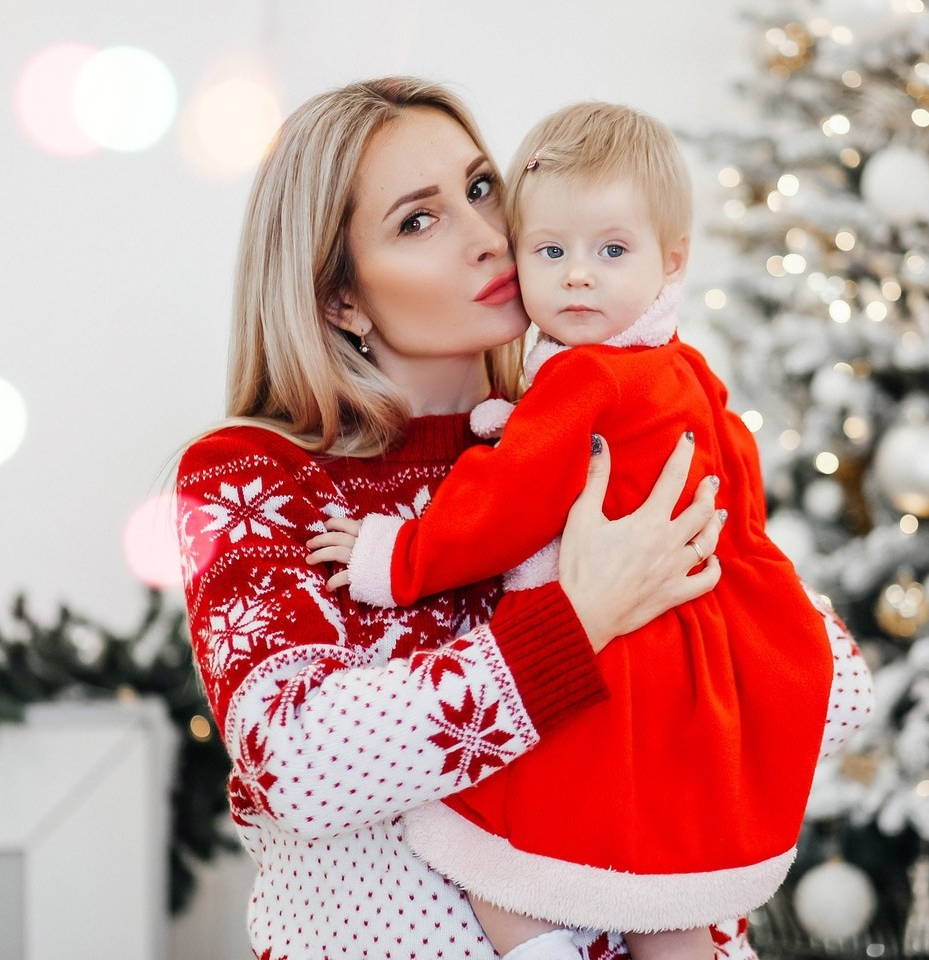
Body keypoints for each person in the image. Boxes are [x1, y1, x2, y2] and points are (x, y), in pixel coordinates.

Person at [175, 77, 744, 960]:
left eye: (482, 189)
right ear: (340, 298)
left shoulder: (607, 423)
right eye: (418, 221)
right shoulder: (250, 477)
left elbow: (825, 691)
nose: (487, 236)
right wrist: (580, 621)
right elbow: (298, 760)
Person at [313, 102, 872, 959]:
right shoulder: (684, 371)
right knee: (671, 902)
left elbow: (502, 505)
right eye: (551, 251)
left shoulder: (584, 382)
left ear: (671, 259)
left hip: (623, 680)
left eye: (611, 252)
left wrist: (397, 553)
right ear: (342, 298)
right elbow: (741, 496)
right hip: (690, 679)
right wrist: (751, 621)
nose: (575, 277)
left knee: (500, 859)